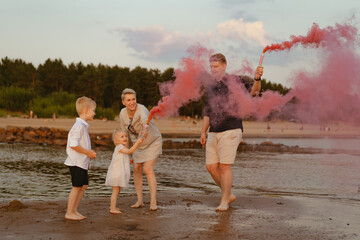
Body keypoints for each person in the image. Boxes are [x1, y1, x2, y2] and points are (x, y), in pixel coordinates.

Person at [200, 53, 263, 211]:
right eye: (211, 66)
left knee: (224, 166)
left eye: (215, 66)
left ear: (224, 66)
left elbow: (254, 93)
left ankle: (224, 201)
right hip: (214, 131)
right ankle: (229, 194)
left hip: (232, 128)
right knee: (211, 167)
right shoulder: (211, 87)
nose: (212, 69)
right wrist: (203, 131)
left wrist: (257, 79)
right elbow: (207, 112)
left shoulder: (236, 81)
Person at [119, 88, 162, 211]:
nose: (132, 102)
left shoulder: (142, 109)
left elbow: (144, 122)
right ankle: (139, 201)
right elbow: (125, 134)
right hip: (138, 144)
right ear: (123, 102)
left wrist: (144, 130)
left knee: (148, 169)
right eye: (128, 100)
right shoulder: (122, 114)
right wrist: (127, 153)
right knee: (137, 169)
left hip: (153, 141)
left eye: (133, 99)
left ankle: (153, 202)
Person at [64, 96, 97, 220]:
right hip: (76, 162)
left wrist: (88, 154)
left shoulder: (82, 126)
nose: (94, 113)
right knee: (77, 186)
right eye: (93, 110)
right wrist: (88, 153)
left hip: (82, 162)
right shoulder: (78, 126)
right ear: (86, 110)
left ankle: (74, 209)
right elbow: (73, 145)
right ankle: (69, 212)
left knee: (83, 186)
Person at [105, 130, 144, 214]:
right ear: (116, 141)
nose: (125, 138)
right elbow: (130, 151)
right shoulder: (119, 147)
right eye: (122, 137)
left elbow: (123, 158)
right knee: (115, 191)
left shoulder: (122, 148)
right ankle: (112, 208)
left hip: (118, 172)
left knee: (117, 190)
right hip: (117, 173)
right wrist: (137, 143)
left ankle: (113, 206)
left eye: (125, 136)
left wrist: (129, 160)